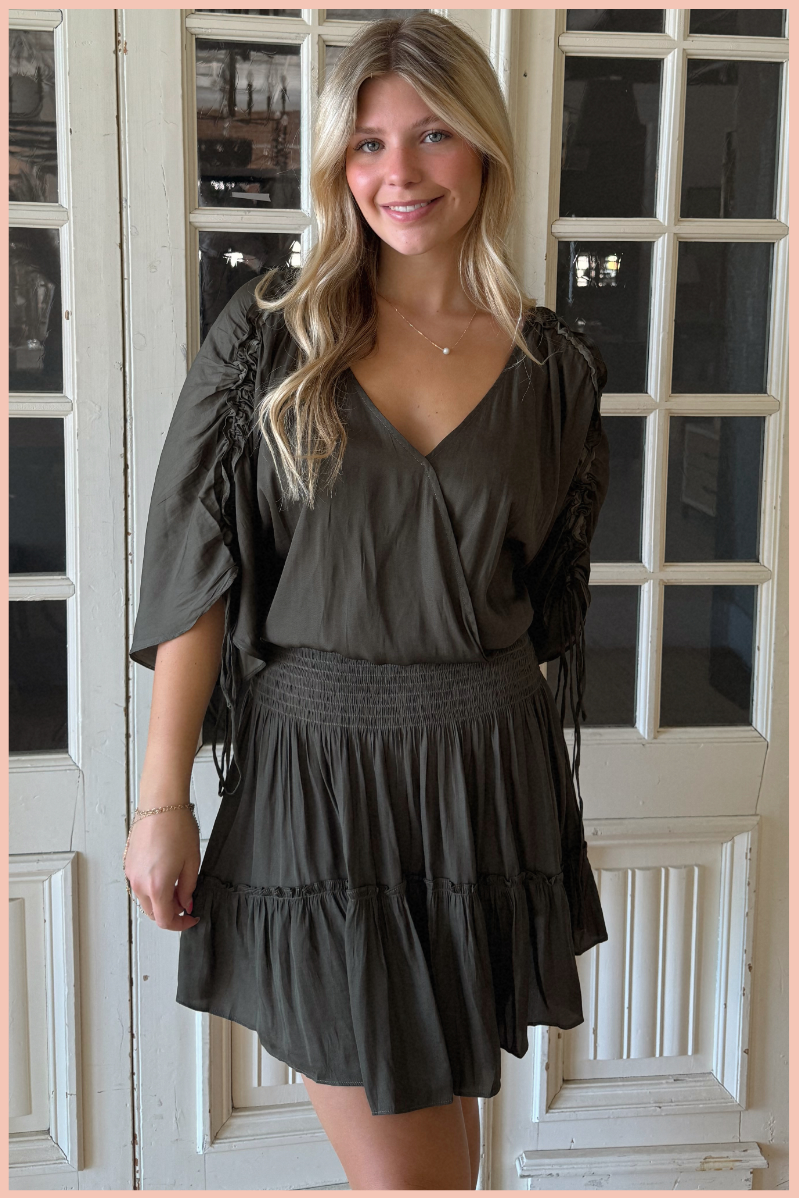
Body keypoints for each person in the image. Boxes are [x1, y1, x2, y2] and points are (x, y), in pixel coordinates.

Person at [124, 12, 610, 1190]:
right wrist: (162, 798)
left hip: (484, 778)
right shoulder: (268, 339)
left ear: (483, 145)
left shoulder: (553, 366)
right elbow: (196, 570)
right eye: (368, 142)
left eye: (433, 134)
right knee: (413, 1176)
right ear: (337, 163)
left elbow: (545, 595)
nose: (400, 172)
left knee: (446, 1149)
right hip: (322, 779)